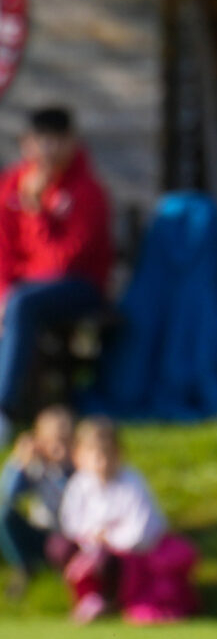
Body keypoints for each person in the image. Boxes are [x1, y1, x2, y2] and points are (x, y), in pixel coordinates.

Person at [0, 107, 113, 443]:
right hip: (23, 291)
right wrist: (3, 291)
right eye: (40, 142)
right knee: (17, 302)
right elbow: (3, 248)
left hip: (79, 289)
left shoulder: (87, 192)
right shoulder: (12, 184)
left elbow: (62, 264)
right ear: (27, 144)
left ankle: (3, 411)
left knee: (22, 303)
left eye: (55, 141)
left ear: (71, 143)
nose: (47, 150)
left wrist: (36, 211)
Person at [48, 417, 198, 624]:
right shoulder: (80, 484)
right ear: (79, 456)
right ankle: (90, 598)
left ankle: (112, 600)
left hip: (134, 555)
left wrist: (106, 542)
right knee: (60, 547)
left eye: (108, 454)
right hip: (93, 550)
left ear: (119, 453)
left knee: (110, 562)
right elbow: (71, 522)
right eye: (95, 455)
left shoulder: (131, 482)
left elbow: (140, 530)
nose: (102, 462)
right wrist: (93, 542)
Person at [1, 405, 72, 599]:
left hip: (71, 536)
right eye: (53, 440)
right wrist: (20, 462)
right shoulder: (33, 466)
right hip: (42, 533)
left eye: (65, 440)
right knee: (4, 514)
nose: (59, 447)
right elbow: (8, 494)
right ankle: (25, 566)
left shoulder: (78, 466)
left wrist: (62, 468)